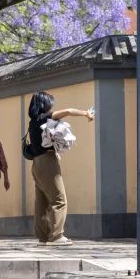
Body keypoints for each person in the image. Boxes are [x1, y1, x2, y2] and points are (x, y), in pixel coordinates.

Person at [26, 91, 94, 246]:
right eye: (50, 103)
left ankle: (43, 237)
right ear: (44, 104)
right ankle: (56, 236)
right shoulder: (45, 117)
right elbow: (68, 111)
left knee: (41, 202)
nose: (52, 107)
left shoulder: (33, 122)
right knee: (59, 200)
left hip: (36, 164)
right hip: (47, 162)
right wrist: (86, 113)